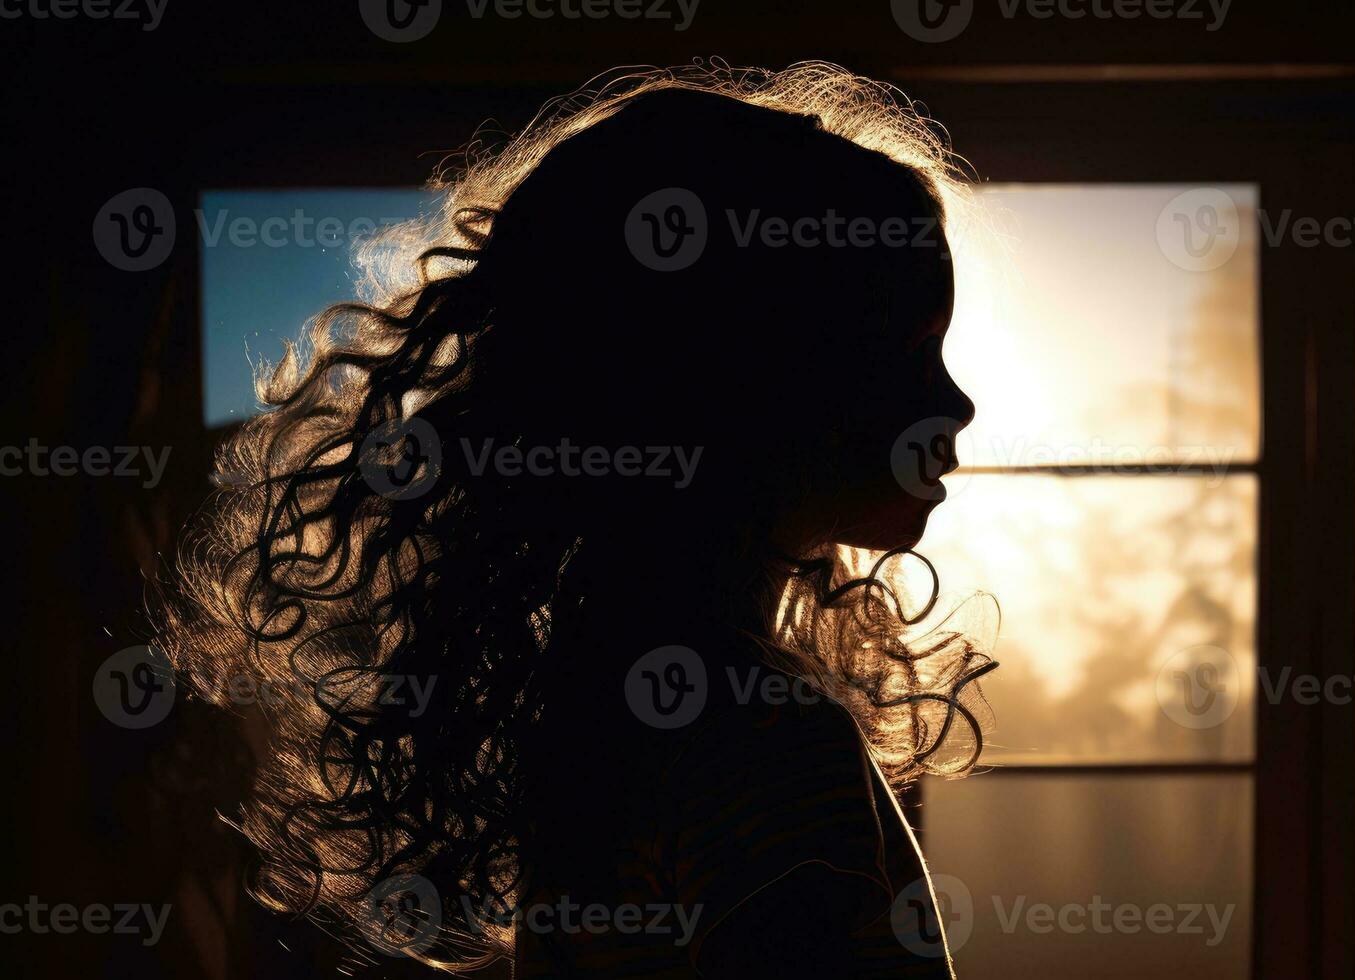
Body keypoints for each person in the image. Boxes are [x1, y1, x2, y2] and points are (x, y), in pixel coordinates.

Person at [159, 62, 996, 977]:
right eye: (912, 355)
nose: (957, 405)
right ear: (748, 382)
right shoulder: (759, 732)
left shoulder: (612, 696)